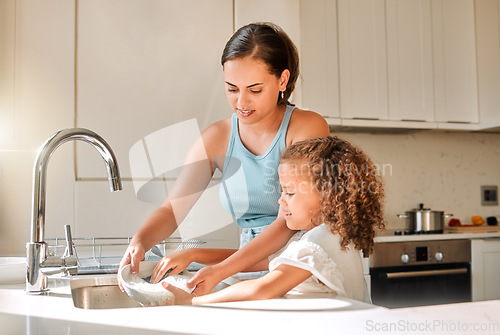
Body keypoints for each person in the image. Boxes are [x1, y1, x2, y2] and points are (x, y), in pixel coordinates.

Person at [118, 22, 330, 284]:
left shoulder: (307, 127)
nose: (241, 102)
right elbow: (171, 211)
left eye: (255, 90)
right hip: (243, 267)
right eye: (232, 89)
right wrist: (139, 241)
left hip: (301, 267)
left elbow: (285, 227)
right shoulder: (215, 139)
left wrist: (205, 259)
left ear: (282, 80)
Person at [159, 136, 386, 304]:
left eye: (290, 192)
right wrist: (194, 254)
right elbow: (255, 261)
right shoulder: (325, 236)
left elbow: (262, 288)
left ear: (326, 195)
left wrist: (192, 302)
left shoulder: (318, 241)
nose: (280, 201)